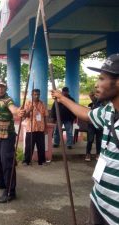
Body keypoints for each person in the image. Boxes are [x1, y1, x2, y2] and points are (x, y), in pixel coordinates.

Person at [51, 53, 119, 225]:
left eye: (102, 79)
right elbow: (87, 114)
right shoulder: (108, 110)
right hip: (98, 199)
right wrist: (62, 98)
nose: (96, 84)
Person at [0, 78, 25, 203]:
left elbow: (13, 109)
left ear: (5, 88)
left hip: (8, 136)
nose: (0, 89)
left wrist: (18, 111)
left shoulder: (7, 100)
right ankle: (1, 182)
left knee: (7, 162)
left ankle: (10, 191)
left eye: (2, 87)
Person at [22, 89, 48, 166]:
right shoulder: (28, 103)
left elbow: (45, 116)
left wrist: (46, 128)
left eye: (38, 94)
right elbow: (24, 116)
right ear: (32, 95)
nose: (36, 96)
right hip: (31, 128)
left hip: (40, 128)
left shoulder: (42, 104)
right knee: (29, 146)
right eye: (35, 94)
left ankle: (42, 161)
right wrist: (29, 110)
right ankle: (27, 161)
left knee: (41, 146)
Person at [85, 91, 103, 162]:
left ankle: (98, 154)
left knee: (99, 140)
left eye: (92, 95)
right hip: (91, 125)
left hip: (99, 125)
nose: (91, 97)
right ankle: (88, 153)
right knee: (90, 140)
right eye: (90, 96)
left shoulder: (101, 104)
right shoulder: (90, 105)